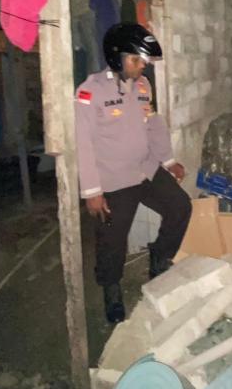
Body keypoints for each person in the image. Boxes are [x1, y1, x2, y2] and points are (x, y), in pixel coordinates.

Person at [74, 23, 192, 323]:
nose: (141, 67)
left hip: (146, 169)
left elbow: (152, 124)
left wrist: (168, 160)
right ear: (116, 56)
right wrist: (91, 191)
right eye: (136, 60)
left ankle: (159, 256)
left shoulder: (142, 87)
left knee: (180, 207)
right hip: (113, 180)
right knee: (112, 241)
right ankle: (110, 288)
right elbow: (83, 143)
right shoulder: (90, 92)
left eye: (144, 62)